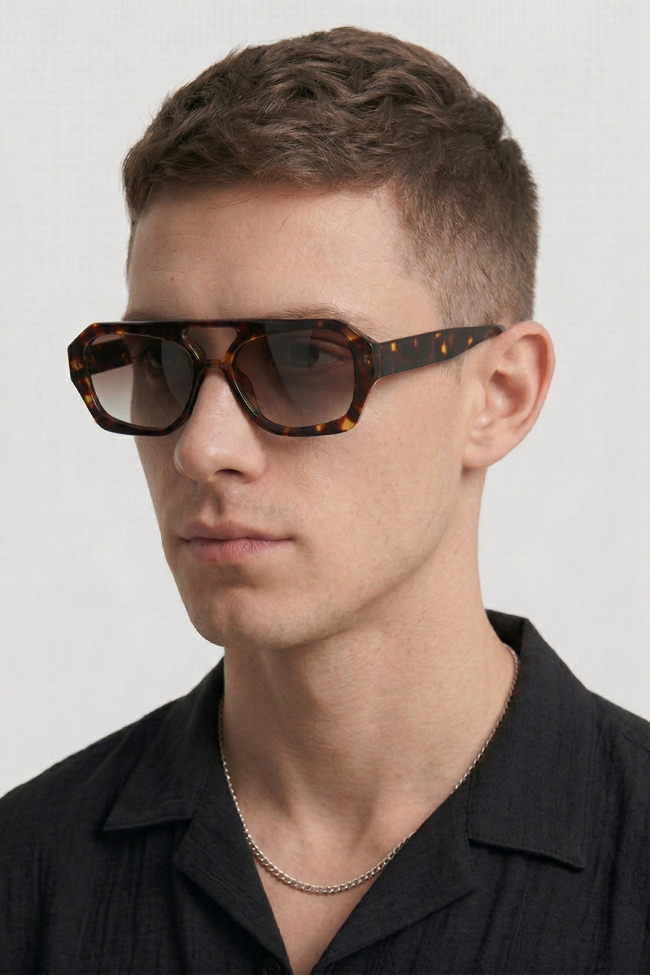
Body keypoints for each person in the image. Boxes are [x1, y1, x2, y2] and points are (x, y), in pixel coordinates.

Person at [2, 25, 649, 975]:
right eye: (157, 361)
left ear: (500, 395)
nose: (202, 448)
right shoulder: (23, 878)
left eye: (305, 358)